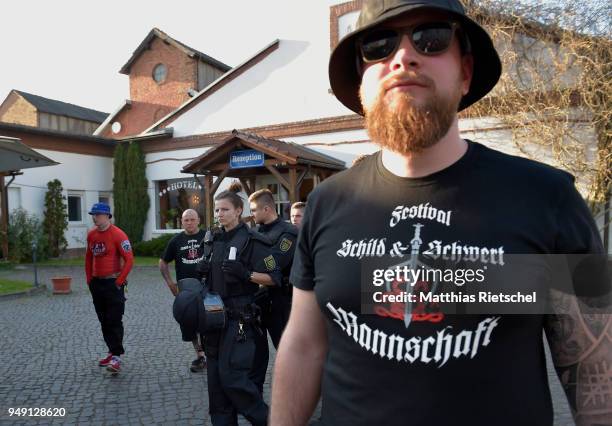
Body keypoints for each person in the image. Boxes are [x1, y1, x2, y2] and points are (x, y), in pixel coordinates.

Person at [270, 1, 611, 426]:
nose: (402, 56)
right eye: (379, 44)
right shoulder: (326, 203)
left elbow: (595, 363)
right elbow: (305, 344)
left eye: (431, 38)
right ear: (362, 79)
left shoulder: (548, 196)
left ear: (465, 72)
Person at [197, 187, 282, 426]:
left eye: (225, 209)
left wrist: (246, 274)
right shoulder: (212, 239)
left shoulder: (254, 241)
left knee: (233, 379)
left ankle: (270, 421)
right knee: (215, 384)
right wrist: (202, 271)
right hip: (213, 319)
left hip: (239, 321)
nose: (220, 214)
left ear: (238, 210)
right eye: (217, 210)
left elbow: (274, 277)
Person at [85, 202, 134, 374]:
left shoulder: (118, 234)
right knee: (103, 320)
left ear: (107, 216)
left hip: (113, 283)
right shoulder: (91, 235)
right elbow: (88, 258)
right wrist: (89, 280)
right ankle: (111, 351)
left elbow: (129, 260)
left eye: (98, 214)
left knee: (114, 320)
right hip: (97, 284)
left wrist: (119, 282)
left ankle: (117, 356)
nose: (95, 217)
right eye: (93, 214)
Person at [159, 208, 208, 372]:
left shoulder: (208, 237)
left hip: (207, 286)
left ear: (198, 220)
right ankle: (200, 355)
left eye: (192, 219)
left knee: (210, 320)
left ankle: (213, 353)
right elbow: (163, 262)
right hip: (185, 289)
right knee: (189, 321)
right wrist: (170, 283)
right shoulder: (176, 241)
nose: (189, 222)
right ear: (182, 222)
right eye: (186, 220)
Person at [249, 189, 298, 349]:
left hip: (281, 301)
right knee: (256, 355)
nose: (252, 214)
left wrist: (248, 266)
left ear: (267, 209)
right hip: (257, 300)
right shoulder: (254, 232)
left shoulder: (289, 232)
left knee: (286, 350)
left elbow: (276, 263)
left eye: (254, 210)